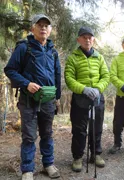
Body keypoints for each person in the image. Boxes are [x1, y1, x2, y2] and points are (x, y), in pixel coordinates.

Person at [4, 14, 61, 180]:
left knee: (47, 134)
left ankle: (48, 164)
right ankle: (27, 170)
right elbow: (10, 70)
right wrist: (26, 83)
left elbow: (57, 75)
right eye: (39, 24)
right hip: (28, 100)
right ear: (32, 28)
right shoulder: (24, 47)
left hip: (48, 100)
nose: (43, 28)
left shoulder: (53, 52)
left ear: (50, 30)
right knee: (29, 135)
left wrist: (57, 97)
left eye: (46, 25)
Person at [64, 26, 110, 172]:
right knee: (79, 129)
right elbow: (69, 78)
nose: (87, 39)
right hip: (80, 99)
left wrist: (98, 89)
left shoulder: (100, 57)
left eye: (90, 37)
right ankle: (77, 157)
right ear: (79, 39)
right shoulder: (73, 57)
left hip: (97, 98)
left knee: (96, 128)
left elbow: (106, 76)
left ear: (93, 40)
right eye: (84, 37)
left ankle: (95, 154)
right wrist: (83, 89)